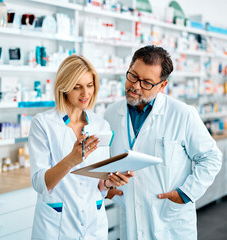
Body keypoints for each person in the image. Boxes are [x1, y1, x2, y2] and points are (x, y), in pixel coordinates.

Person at [104, 45, 222, 239]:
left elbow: (211, 157)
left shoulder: (182, 114)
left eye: (147, 83)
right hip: (131, 218)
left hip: (170, 222)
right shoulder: (111, 113)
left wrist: (185, 194)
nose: (135, 86)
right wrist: (105, 186)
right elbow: (106, 160)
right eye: (133, 76)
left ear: (162, 86)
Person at [29, 54, 133, 240]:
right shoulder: (43, 124)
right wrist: (71, 160)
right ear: (64, 87)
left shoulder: (101, 126)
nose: (85, 94)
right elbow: (40, 183)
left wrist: (110, 182)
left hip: (94, 223)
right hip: (57, 226)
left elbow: (99, 184)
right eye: (77, 87)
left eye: (89, 85)